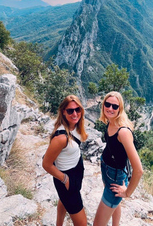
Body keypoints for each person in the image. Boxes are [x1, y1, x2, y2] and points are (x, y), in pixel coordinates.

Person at [93, 91, 144, 226]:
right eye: (107, 104)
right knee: (115, 205)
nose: (110, 108)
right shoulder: (110, 122)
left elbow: (139, 170)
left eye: (114, 106)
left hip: (115, 177)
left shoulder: (123, 132)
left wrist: (127, 193)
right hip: (107, 169)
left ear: (120, 109)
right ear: (103, 105)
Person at [42, 95, 88, 226]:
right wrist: (65, 179)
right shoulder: (61, 137)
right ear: (63, 112)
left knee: (63, 201)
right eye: (70, 110)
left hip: (76, 170)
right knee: (82, 223)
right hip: (67, 177)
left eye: (77, 109)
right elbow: (46, 164)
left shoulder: (76, 127)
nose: (75, 113)